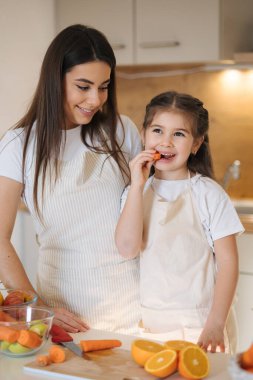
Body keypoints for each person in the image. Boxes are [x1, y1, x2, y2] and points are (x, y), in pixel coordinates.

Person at [0, 24, 142, 334]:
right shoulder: (19, 144)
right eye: (83, 86)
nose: (95, 99)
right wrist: (37, 308)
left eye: (104, 86)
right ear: (55, 79)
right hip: (59, 316)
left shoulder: (122, 130)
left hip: (131, 312)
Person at [115, 91, 244, 354]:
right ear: (143, 135)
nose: (166, 142)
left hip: (202, 326)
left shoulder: (209, 194)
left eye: (179, 134)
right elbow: (127, 249)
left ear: (196, 143)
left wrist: (215, 323)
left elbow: (229, 263)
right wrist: (137, 185)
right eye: (158, 131)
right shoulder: (135, 193)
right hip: (152, 324)